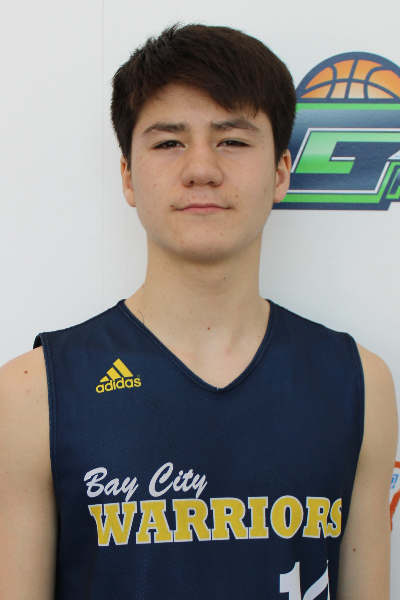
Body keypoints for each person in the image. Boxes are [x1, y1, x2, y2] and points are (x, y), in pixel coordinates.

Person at [0, 23, 397, 600]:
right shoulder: (33, 392)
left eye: (232, 140)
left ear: (281, 172)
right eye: (169, 143)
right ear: (128, 175)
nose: (202, 168)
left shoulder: (360, 383)